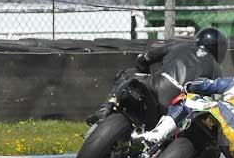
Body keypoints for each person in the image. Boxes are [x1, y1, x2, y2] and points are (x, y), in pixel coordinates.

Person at [86, 27, 226, 125]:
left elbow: (145, 58)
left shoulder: (180, 45)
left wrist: (143, 68)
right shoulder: (217, 70)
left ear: (199, 38)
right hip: (178, 106)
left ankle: (106, 107)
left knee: (127, 74)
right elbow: (213, 101)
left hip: (156, 86)